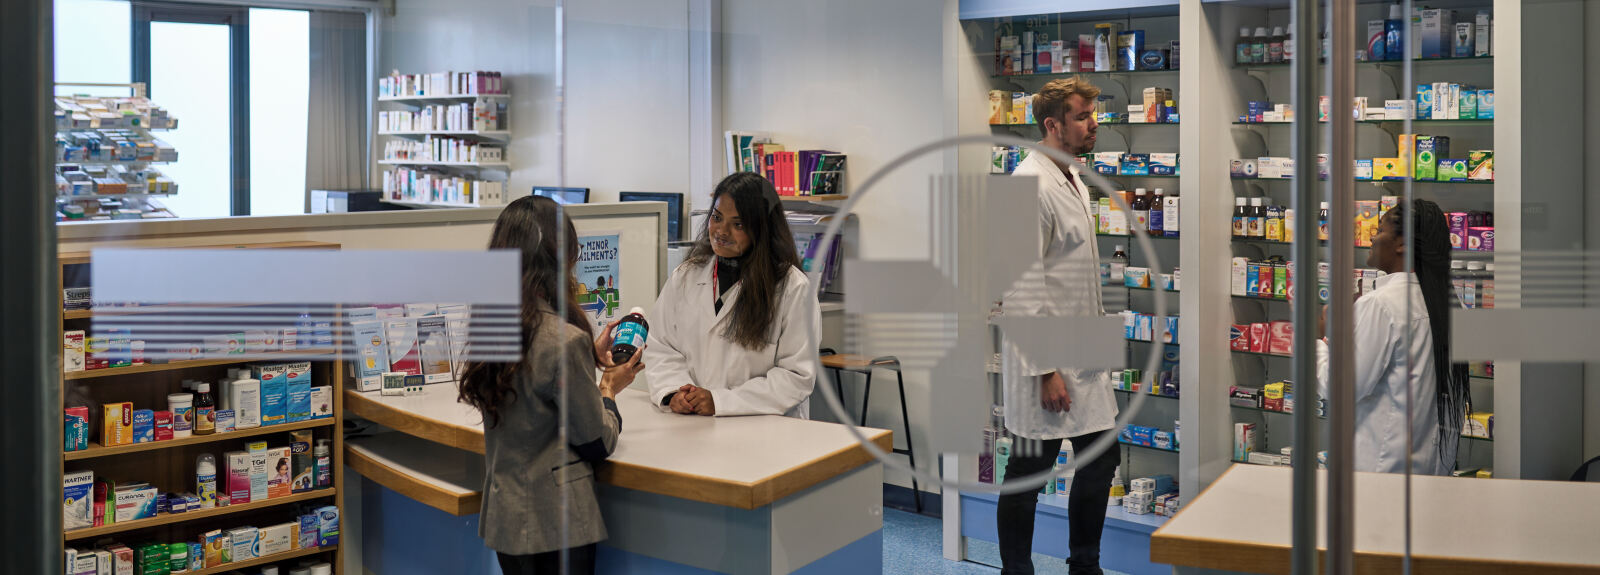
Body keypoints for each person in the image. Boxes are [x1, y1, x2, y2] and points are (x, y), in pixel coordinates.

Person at [457, 195, 646, 575]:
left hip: (508, 518)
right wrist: (608, 387)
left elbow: (531, 387)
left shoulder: (492, 325)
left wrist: (582, 359)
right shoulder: (562, 341)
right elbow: (596, 440)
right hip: (555, 525)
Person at [995, 76, 1121, 575]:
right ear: (1053, 124)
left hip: (1083, 345)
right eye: (1083, 117)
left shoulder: (1071, 175)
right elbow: (1021, 288)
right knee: (1028, 471)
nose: (1094, 124)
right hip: (1045, 359)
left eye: (1095, 115)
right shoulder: (1026, 185)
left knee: (1101, 461)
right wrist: (1045, 369)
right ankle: (1016, 570)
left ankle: (1084, 566)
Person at [644, 172, 820, 418]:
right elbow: (661, 346)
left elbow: (796, 376)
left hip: (766, 432)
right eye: (717, 218)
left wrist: (721, 402)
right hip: (693, 426)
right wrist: (675, 392)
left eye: (737, 224)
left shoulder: (793, 288)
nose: (721, 231)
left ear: (761, 229)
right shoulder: (686, 275)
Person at [1318, 198, 1468, 476]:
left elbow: (1338, 389)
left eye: (1379, 230)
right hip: (1429, 477)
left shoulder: (1381, 304)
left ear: (1402, 244)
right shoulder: (1444, 301)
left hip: (1380, 478)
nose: (1372, 238)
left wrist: (1320, 338)